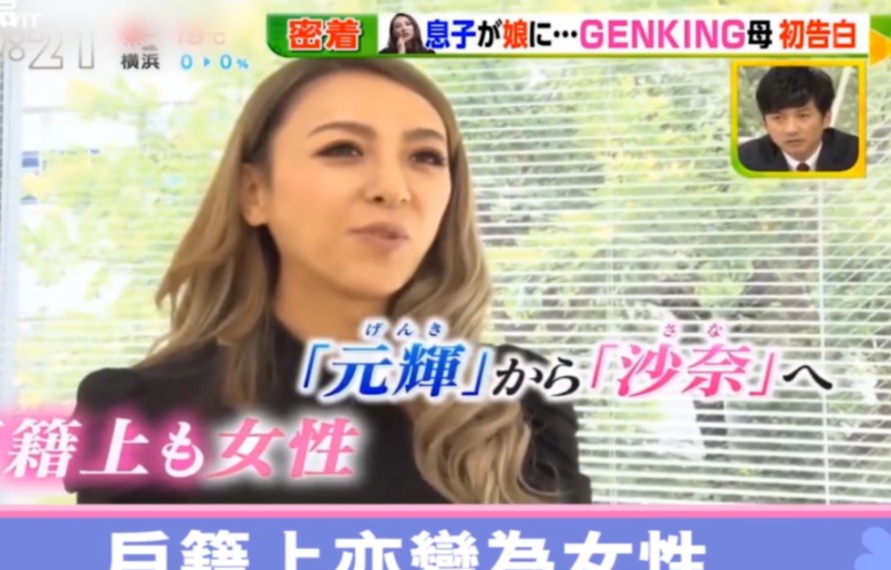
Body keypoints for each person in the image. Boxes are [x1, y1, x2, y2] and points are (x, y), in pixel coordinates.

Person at [64, 58, 591, 505]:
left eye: (426, 157)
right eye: (343, 149)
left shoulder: (518, 401)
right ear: (253, 192)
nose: (393, 188)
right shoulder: (138, 414)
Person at [737, 66, 860, 173]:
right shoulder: (745, 159)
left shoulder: (857, 153)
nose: (791, 130)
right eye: (778, 118)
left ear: (826, 118)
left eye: (803, 116)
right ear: (765, 123)